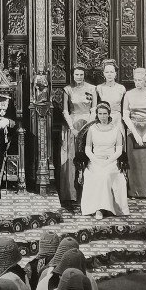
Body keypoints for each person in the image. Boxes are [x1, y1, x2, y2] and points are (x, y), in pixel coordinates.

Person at [79, 103, 128, 219]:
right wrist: (96, 160)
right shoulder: (92, 129)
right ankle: (97, 208)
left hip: (111, 161)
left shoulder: (116, 129)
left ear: (109, 114)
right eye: (100, 114)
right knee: (97, 175)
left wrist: (107, 161)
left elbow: (119, 151)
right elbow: (87, 149)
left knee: (105, 175)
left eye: (105, 114)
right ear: (97, 115)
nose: (102, 116)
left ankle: (104, 208)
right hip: (95, 160)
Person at [60, 65, 97, 204]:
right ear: (73, 75)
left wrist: (89, 126)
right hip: (73, 125)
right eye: (77, 75)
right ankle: (72, 193)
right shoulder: (68, 89)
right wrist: (72, 127)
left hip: (88, 123)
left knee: (89, 156)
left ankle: (90, 193)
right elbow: (65, 111)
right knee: (73, 157)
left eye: (81, 74)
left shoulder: (92, 89)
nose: (79, 77)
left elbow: (94, 108)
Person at [122, 68, 146, 200]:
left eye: (140, 80)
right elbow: (126, 116)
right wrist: (135, 134)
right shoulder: (128, 94)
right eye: (136, 80)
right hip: (133, 129)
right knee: (135, 162)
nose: (138, 82)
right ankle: (134, 192)